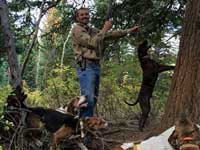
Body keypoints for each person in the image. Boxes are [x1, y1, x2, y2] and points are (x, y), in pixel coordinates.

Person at [71, 7, 139, 117]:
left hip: (95, 66)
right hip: (86, 66)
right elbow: (92, 42)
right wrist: (105, 28)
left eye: (86, 14)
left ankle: (87, 125)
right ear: (77, 17)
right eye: (82, 15)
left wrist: (128, 31)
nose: (85, 16)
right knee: (88, 99)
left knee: (93, 98)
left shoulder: (91, 30)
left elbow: (108, 35)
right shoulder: (77, 29)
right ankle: (83, 127)